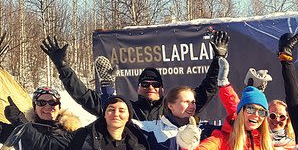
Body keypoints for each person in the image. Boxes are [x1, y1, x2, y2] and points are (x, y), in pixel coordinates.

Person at [40, 32, 227, 121]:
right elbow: (85, 97)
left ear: (163, 89)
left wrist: (219, 59)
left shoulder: (177, 108)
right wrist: (63, 67)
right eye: (145, 83)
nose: (150, 87)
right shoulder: (126, 109)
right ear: (138, 88)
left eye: (155, 84)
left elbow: (207, 89)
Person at [2, 86, 80, 150]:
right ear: (35, 108)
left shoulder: (70, 131)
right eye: (41, 102)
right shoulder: (26, 127)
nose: (47, 106)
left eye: (52, 102)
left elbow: (46, 146)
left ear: (59, 106)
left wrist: (20, 122)